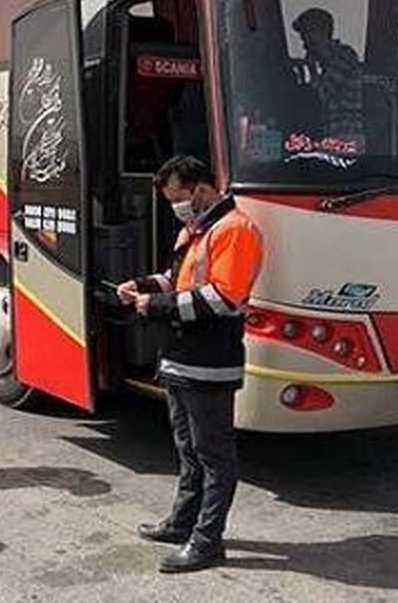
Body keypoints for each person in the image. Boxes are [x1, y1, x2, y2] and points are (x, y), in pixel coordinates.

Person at [117, 156, 264, 573]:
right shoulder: (195, 228)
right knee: (188, 449)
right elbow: (178, 276)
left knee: (215, 456)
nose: (175, 207)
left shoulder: (236, 230)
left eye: (178, 198)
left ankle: (207, 541)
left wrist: (157, 305)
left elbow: (224, 298)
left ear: (200, 189)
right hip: (180, 360)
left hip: (210, 362)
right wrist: (144, 286)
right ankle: (183, 522)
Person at [291, 7, 366, 153]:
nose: (304, 44)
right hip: (335, 136)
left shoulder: (342, 57)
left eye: (305, 36)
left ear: (318, 33)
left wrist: (307, 68)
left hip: (344, 137)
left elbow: (321, 94)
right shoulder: (330, 62)